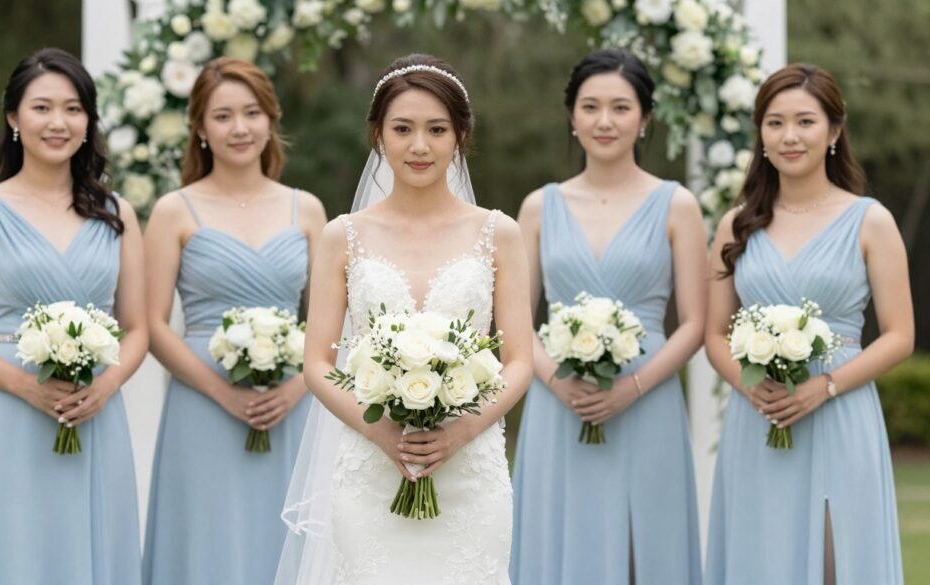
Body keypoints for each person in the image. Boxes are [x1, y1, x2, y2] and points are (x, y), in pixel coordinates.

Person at [277, 53, 533, 584]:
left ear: (460, 136)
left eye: (437, 129)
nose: (420, 146)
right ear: (378, 136)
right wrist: (383, 435)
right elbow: (318, 363)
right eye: (403, 128)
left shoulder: (498, 233)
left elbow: (519, 361)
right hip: (371, 464)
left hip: (470, 469)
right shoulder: (341, 236)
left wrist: (461, 432)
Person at [0, 48, 146, 584]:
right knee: (12, 552)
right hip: (8, 411)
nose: (58, 122)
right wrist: (24, 387)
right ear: (13, 119)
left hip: (94, 412)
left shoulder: (118, 215)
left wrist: (109, 384)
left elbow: (138, 326)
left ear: (89, 121)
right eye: (42, 108)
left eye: (73, 109)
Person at [704, 63, 911, 585]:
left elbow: (900, 335)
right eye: (774, 123)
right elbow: (714, 334)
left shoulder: (870, 220)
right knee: (762, 560)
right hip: (761, 416)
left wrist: (825, 385)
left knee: (837, 563)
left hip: (841, 413)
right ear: (761, 135)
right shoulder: (736, 223)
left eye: (805, 121)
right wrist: (750, 390)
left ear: (835, 132)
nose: (789, 136)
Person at [511, 48, 706, 585]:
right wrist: (557, 382)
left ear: (644, 119)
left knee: (648, 547)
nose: (604, 121)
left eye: (621, 108)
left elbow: (693, 323)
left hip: (648, 402)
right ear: (572, 117)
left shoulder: (676, 205)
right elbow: (513, 321)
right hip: (558, 403)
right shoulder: (538, 207)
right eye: (590, 106)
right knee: (559, 541)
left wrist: (632, 387)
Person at [141, 57, 326, 585]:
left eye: (252, 113)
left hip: (290, 405)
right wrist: (224, 395)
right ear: (200, 127)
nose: (240, 128)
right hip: (201, 406)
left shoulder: (306, 210)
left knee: (284, 543)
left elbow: (330, 322)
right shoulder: (174, 211)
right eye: (222, 116)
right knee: (207, 540)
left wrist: (294, 390)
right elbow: (153, 325)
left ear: (272, 119)